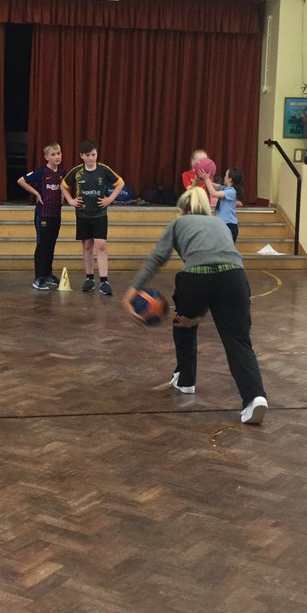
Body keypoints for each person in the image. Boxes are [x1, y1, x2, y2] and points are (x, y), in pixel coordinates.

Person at [122, 187, 270, 425]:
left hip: (195, 280)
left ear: (181, 209)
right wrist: (203, 314)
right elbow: (220, 266)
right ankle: (255, 398)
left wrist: (129, 294)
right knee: (238, 340)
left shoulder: (178, 223)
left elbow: (157, 259)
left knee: (182, 321)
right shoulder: (220, 224)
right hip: (235, 279)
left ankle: (186, 380)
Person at [61, 139, 124, 295]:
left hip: (100, 214)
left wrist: (110, 199)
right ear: (81, 156)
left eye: (93, 154)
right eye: (87, 155)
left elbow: (120, 183)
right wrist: (70, 200)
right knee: (87, 245)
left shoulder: (103, 170)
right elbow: (63, 185)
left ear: (97, 154)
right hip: (82, 214)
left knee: (101, 244)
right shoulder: (77, 171)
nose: (91, 158)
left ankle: (104, 281)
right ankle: (89, 278)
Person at [16, 142, 65, 290]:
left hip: (56, 215)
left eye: (59, 153)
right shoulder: (41, 172)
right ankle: (39, 277)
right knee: (42, 245)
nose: (57, 157)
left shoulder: (62, 173)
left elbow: (64, 189)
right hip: (43, 214)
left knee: (51, 245)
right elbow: (21, 180)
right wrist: (36, 193)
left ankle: (48, 274)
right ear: (46, 157)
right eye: (53, 154)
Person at [199, 166, 243, 241]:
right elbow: (214, 185)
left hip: (229, 225)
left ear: (230, 179)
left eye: (226, 175)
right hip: (222, 224)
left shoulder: (231, 192)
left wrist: (206, 179)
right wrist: (204, 179)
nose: (224, 177)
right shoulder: (224, 188)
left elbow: (213, 193)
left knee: (226, 250)